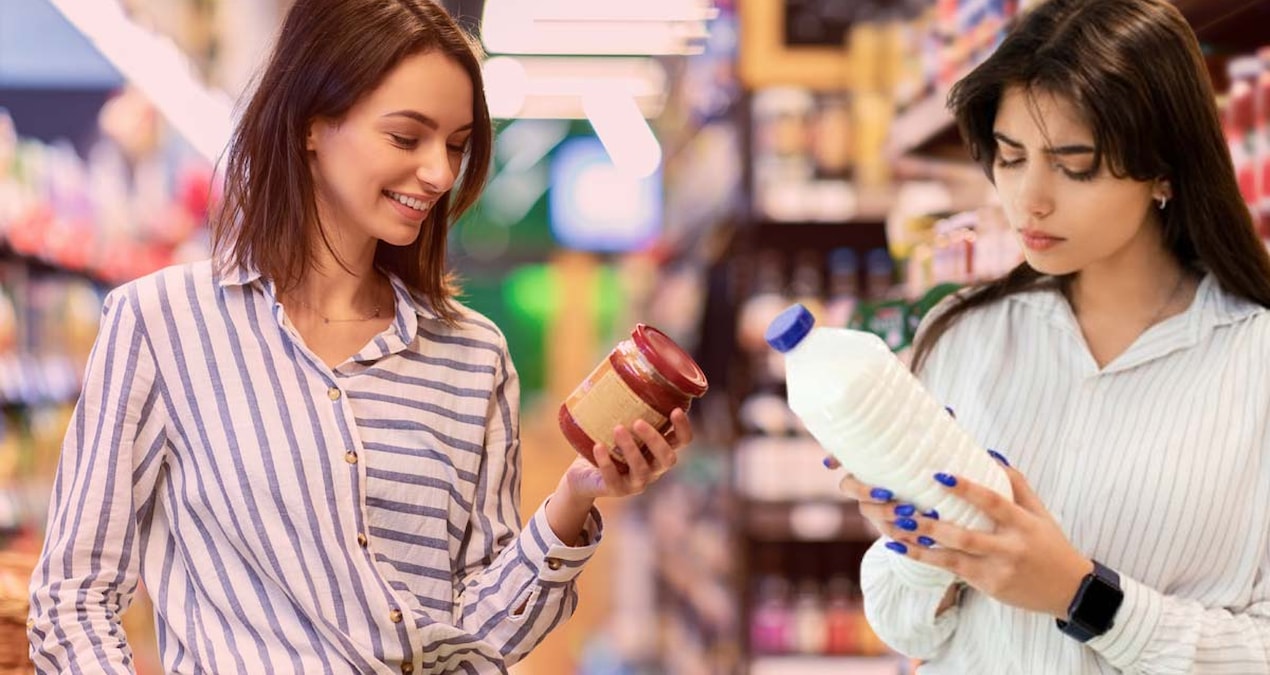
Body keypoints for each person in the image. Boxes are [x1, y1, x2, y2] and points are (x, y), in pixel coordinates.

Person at [27, 0, 693, 672]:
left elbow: (479, 633)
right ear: (311, 125)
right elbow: (73, 598)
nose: (440, 173)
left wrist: (576, 494)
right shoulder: (163, 323)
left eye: (456, 145)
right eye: (406, 138)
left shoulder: (474, 356)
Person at [833, 0, 1270, 672]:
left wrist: (1082, 595)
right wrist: (923, 551)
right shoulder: (963, 337)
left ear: (1164, 167)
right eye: (1010, 158)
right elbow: (905, 628)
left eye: (1074, 164)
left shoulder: (1254, 360)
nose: (1029, 199)